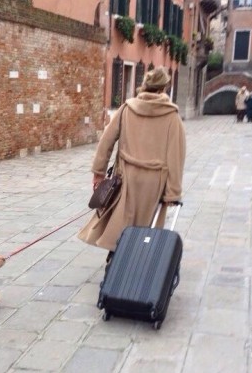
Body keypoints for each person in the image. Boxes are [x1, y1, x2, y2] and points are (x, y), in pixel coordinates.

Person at [78, 66, 186, 257]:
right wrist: (173, 193)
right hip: (155, 182)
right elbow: (176, 157)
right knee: (147, 223)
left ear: (144, 86)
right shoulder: (172, 117)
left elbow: (106, 141)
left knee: (122, 219)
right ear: (164, 88)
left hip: (126, 175)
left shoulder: (127, 109)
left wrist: (98, 173)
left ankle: (117, 254)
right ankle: (136, 260)